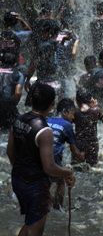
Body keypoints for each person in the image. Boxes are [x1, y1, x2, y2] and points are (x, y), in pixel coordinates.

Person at [7, 83, 76, 236]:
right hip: (35, 185)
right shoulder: (45, 131)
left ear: (31, 100)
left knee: (30, 223)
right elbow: (49, 167)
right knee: (35, 230)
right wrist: (68, 172)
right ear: (52, 105)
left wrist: (20, 170)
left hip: (18, 179)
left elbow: (10, 151)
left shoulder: (18, 120)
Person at [46, 98, 84, 209]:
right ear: (65, 112)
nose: (73, 118)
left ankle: (47, 202)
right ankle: (58, 207)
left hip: (40, 157)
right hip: (53, 159)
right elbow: (73, 149)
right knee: (60, 181)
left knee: (45, 182)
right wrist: (81, 156)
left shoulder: (47, 120)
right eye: (72, 114)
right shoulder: (67, 125)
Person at [74, 89, 103, 166]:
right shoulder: (95, 111)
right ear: (90, 100)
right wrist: (97, 107)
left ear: (77, 101)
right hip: (92, 144)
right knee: (92, 167)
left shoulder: (75, 112)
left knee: (76, 167)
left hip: (78, 144)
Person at [0, 53, 24, 130]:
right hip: (8, 104)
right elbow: (17, 93)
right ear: (15, 63)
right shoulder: (18, 74)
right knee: (18, 128)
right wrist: (12, 104)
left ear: (1, 62)